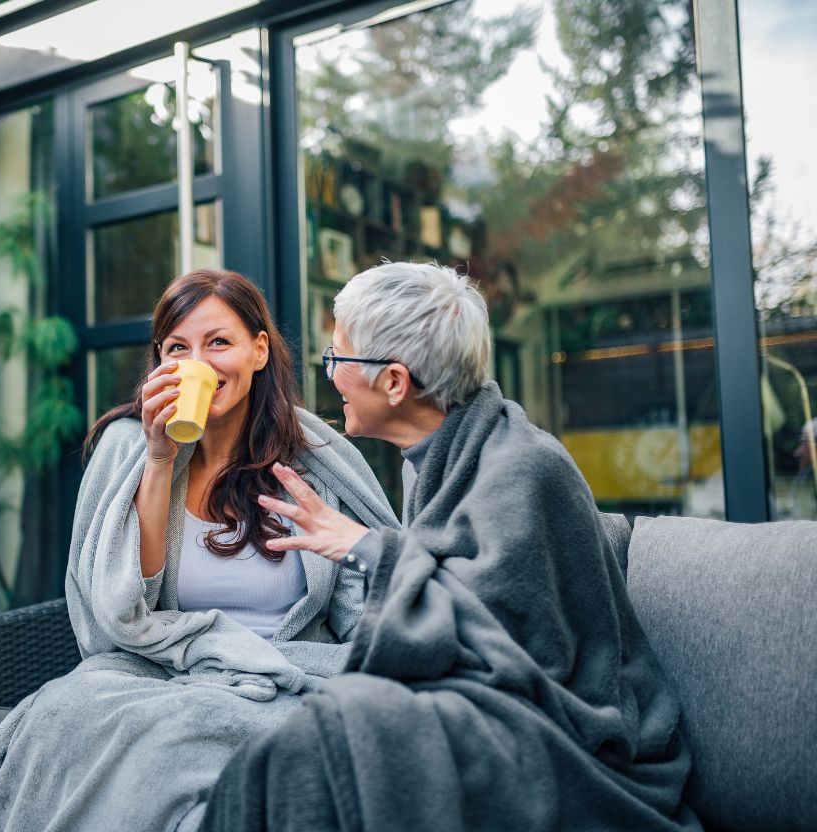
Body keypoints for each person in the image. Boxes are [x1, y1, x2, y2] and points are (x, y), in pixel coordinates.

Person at [201, 261, 699, 831]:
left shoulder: (524, 467)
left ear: (393, 382)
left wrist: (366, 547)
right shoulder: (437, 459)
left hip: (568, 729)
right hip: (487, 702)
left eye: (337, 358)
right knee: (296, 746)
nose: (330, 374)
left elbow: (519, 644)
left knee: (327, 737)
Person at [0, 269, 401, 832]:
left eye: (218, 342)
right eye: (177, 348)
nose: (197, 362)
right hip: (157, 675)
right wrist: (159, 458)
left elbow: (368, 601)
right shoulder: (128, 449)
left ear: (258, 349)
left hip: (286, 678)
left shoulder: (317, 459)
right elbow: (123, 611)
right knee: (61, 717)